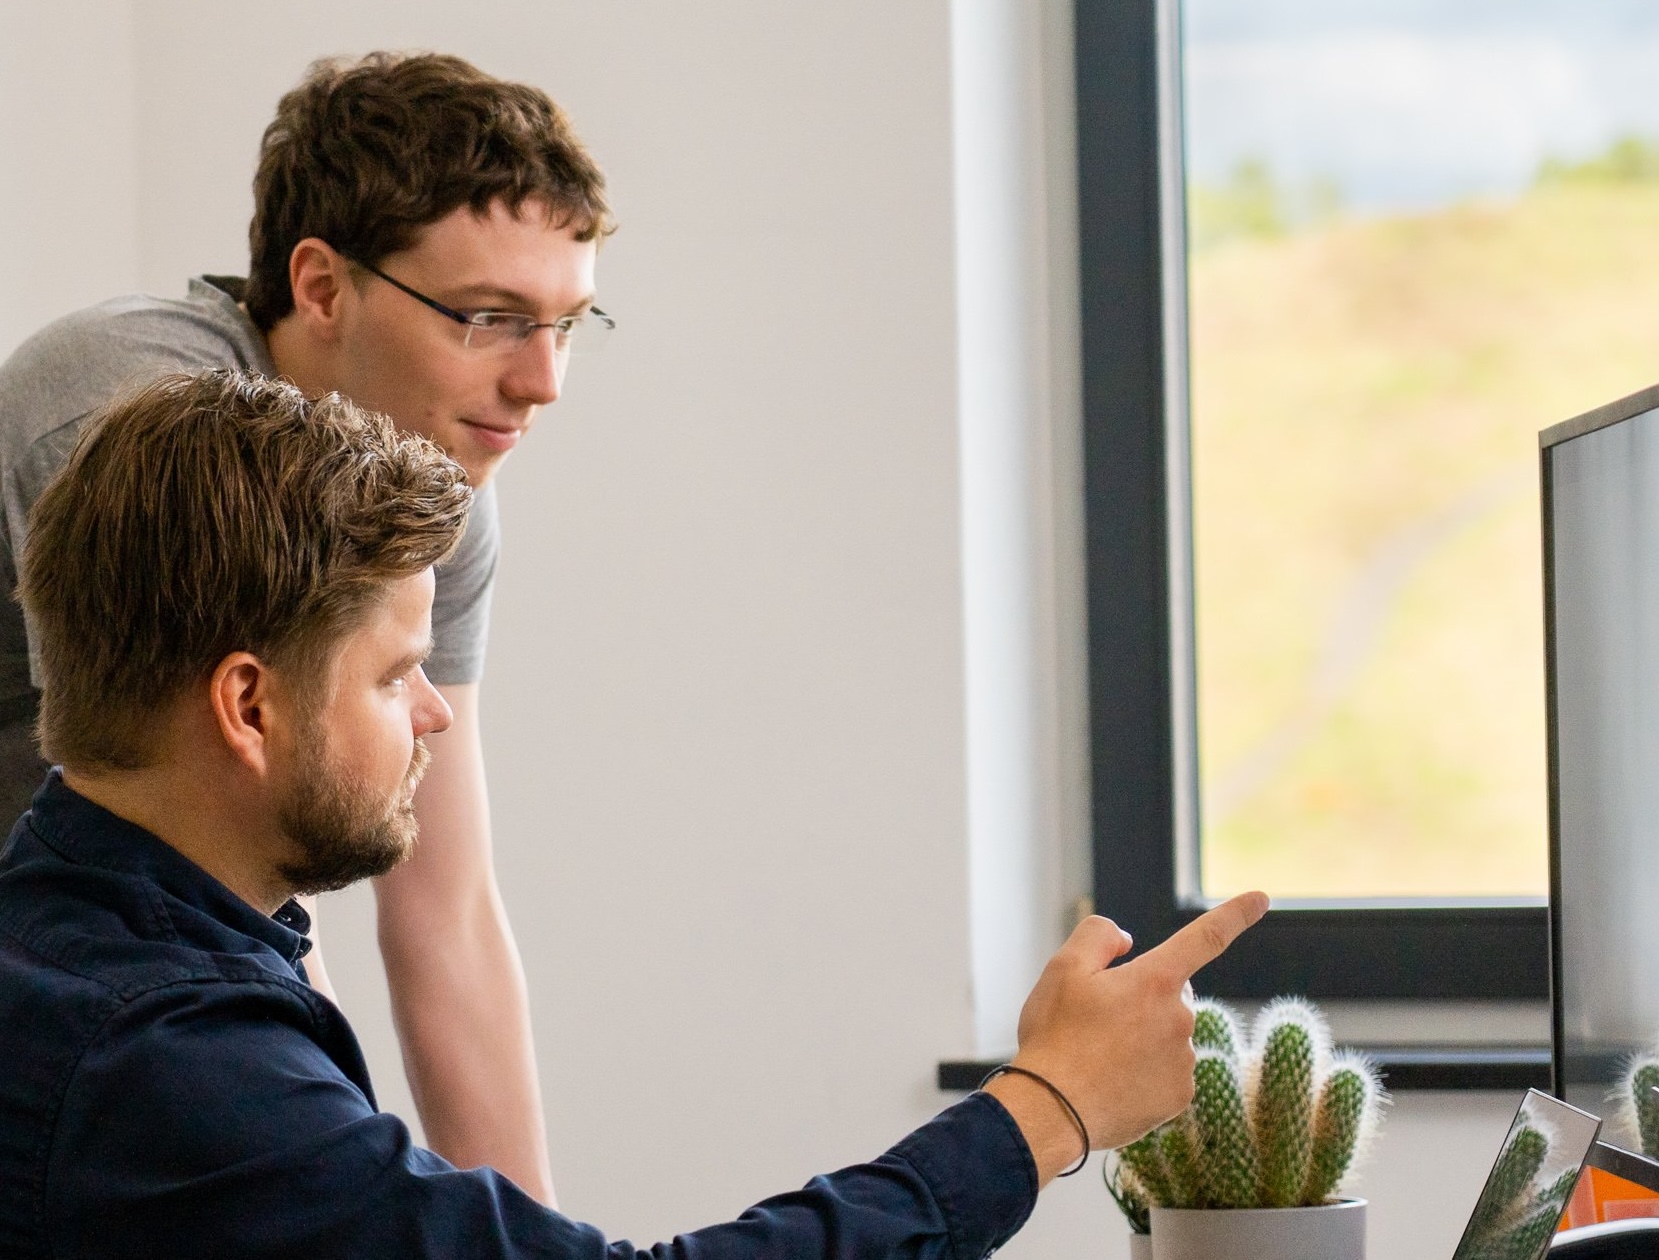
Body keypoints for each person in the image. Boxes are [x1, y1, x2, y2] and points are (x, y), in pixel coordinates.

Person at [0, 368, 1268, 1258]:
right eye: (394, 677)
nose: (434, 716)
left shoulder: (93, 948)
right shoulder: (163, 1065)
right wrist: (1046, 1111)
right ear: (249, 706)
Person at [0, 50, 615, 1203]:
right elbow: (247, 827)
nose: (544, 382)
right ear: (323, 286)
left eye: (569, 324)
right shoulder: (130, 407)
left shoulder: (436, 498)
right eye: (490, 318)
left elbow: (449, 913)